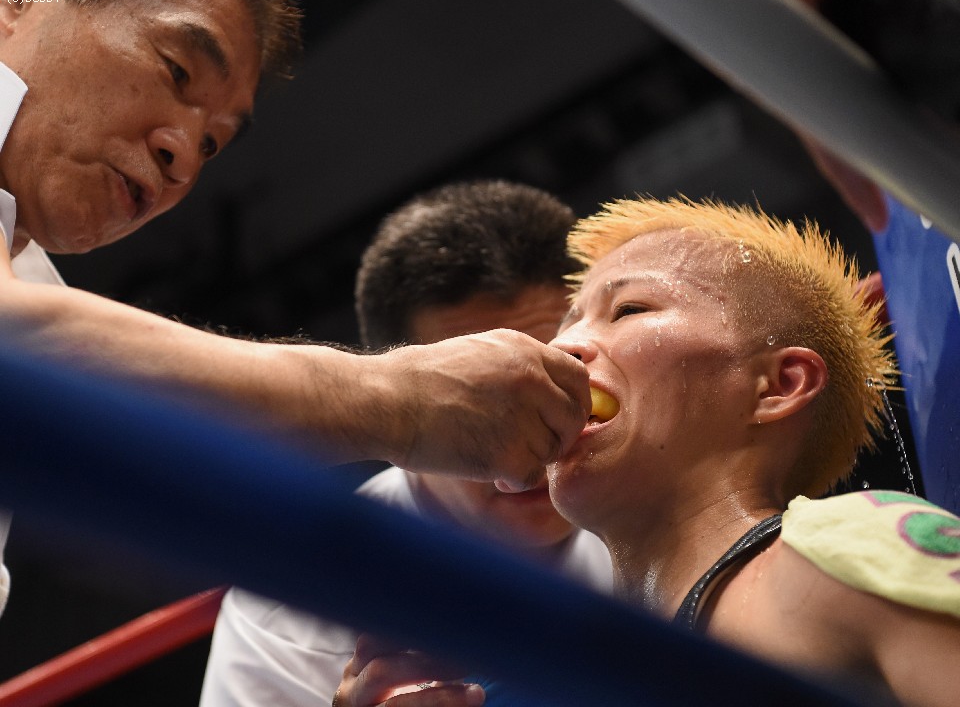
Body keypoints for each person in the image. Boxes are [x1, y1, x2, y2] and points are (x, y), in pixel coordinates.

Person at [0, 0, 590, 616]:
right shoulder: (32, 319)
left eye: (212, 143)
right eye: (176, 70)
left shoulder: (38, 290)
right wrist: (400, 403)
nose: (183, 157)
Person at [338, 196, 960, 707]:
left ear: (777, 386)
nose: (558, 352)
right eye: (568, 326)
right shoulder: (519, 682)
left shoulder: (843, 546)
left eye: (628, 309)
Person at [199, 180, 614, 707]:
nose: (524, 449)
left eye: (553, 385)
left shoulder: (673, 495)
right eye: (478, 405)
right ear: (403, 402)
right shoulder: (292, 609)